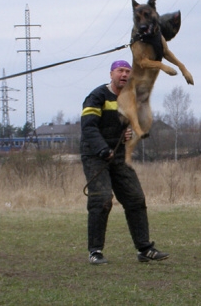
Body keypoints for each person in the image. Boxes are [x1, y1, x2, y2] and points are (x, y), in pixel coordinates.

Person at [80, 60, 169, 265]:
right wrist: (103, 149)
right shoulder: (97, 96)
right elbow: (89, 128)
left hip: (118, 155)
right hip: (96, 155)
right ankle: (95, 251)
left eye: (128, 72)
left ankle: (144, 249)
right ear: (111, 74)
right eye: (120, 71)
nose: (124, 75)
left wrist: (129, 131)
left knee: (135, 198)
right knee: (101, 200)